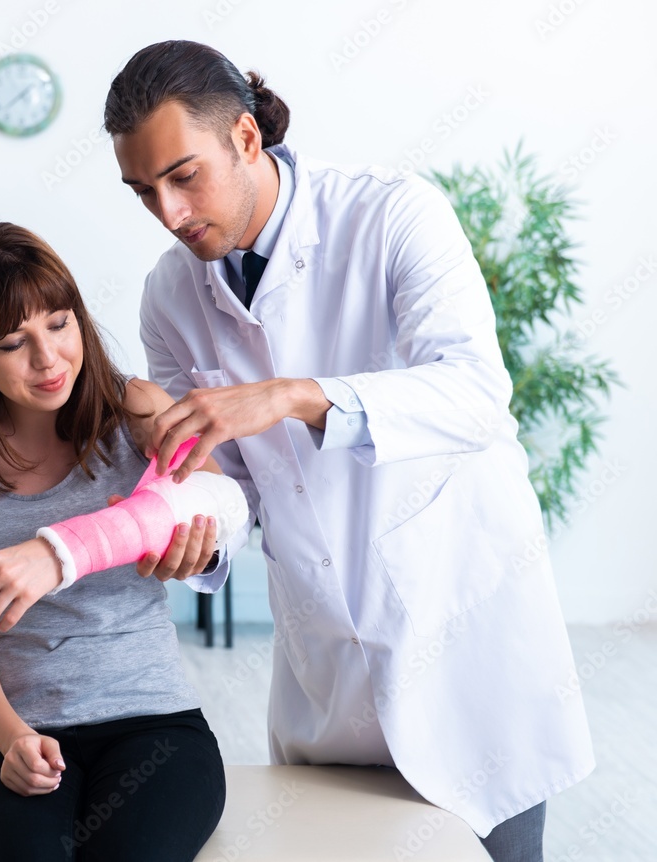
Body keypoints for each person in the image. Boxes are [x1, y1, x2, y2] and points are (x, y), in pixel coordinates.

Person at [103, 40, 595, 862]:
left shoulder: (393, 215)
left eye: (183, 176)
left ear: (247, 139)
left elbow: (477, 393)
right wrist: (186, 524)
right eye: (142, 191)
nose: (170, 213)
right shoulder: (169, 294)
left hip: (463, 635)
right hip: (326, 669)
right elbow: (227, 489)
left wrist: (296, 395)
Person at [0, 222, 243, 861]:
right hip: (11, 732)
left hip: (153, 723)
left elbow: (224, 505)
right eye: (14, 342)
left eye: (59, 325)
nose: (48, 359)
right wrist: (10, 738)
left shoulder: (133, 409)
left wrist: (177, 542)